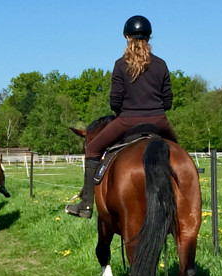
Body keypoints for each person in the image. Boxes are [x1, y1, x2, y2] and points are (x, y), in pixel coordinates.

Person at [66, 15, 177, 219]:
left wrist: (124, 113)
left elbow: (115, 102)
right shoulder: (161, 65)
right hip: (160, 121)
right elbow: (168, 101)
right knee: (179, 154)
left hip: (127, 121)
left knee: (91, 148)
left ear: (127, 37)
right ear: (149, 37)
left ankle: (87, 205)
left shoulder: (119, 65)